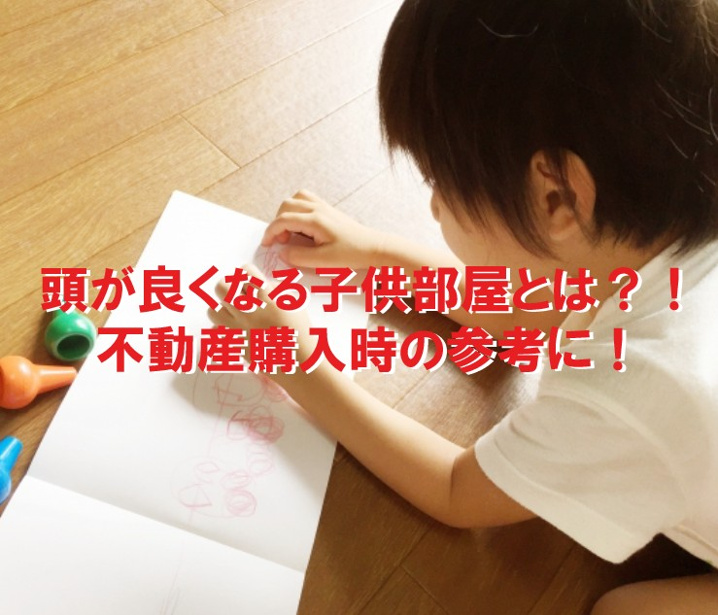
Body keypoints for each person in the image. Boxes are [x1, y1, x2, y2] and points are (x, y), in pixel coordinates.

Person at [210, 1, 718, 612]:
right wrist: (374, 254)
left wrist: (298, 363)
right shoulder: (657, 231)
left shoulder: (642, 384)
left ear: (557, 199)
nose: (432, 207)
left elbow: (457, 490)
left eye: (439, 183)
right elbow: (534, 313)